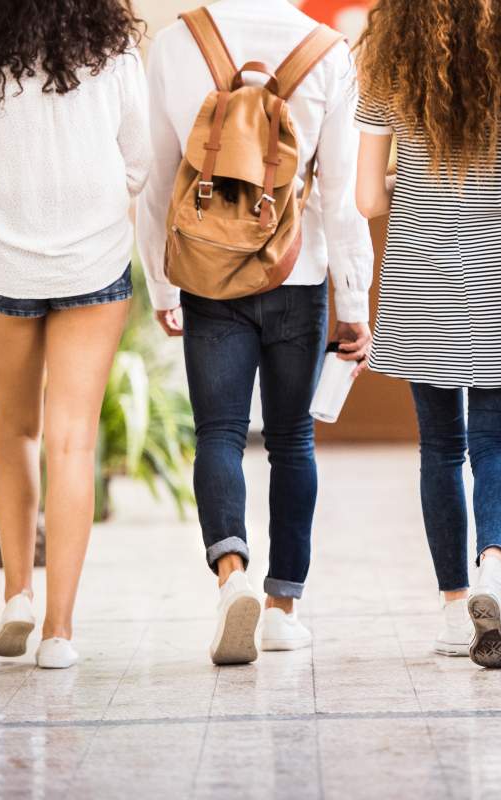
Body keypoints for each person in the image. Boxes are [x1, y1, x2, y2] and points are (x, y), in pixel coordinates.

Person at [137, 0, 373, 665]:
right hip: (297, 276)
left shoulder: (178, 43)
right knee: (292, 442)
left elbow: (158, 183)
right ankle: (280, 611)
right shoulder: (326, 52)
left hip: (209, 276)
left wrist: (162, 283)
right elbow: (341, 200)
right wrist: (353, 301)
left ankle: (230, 575)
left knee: (218, 434)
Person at [0, 0, 151, 669]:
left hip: (5, 268)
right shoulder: (114, 57)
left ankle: (16, 596)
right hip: (93, 263)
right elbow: (140, 167)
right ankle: (59, 632)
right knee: (71, 440)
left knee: (15, 431)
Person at [354, 0, 501, 669]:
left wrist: (408, 173)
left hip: (422, 268)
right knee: (496, 441)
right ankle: (493, 572)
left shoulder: (390, 57)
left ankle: (452, 609)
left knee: (439, 449)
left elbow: (367, 199)